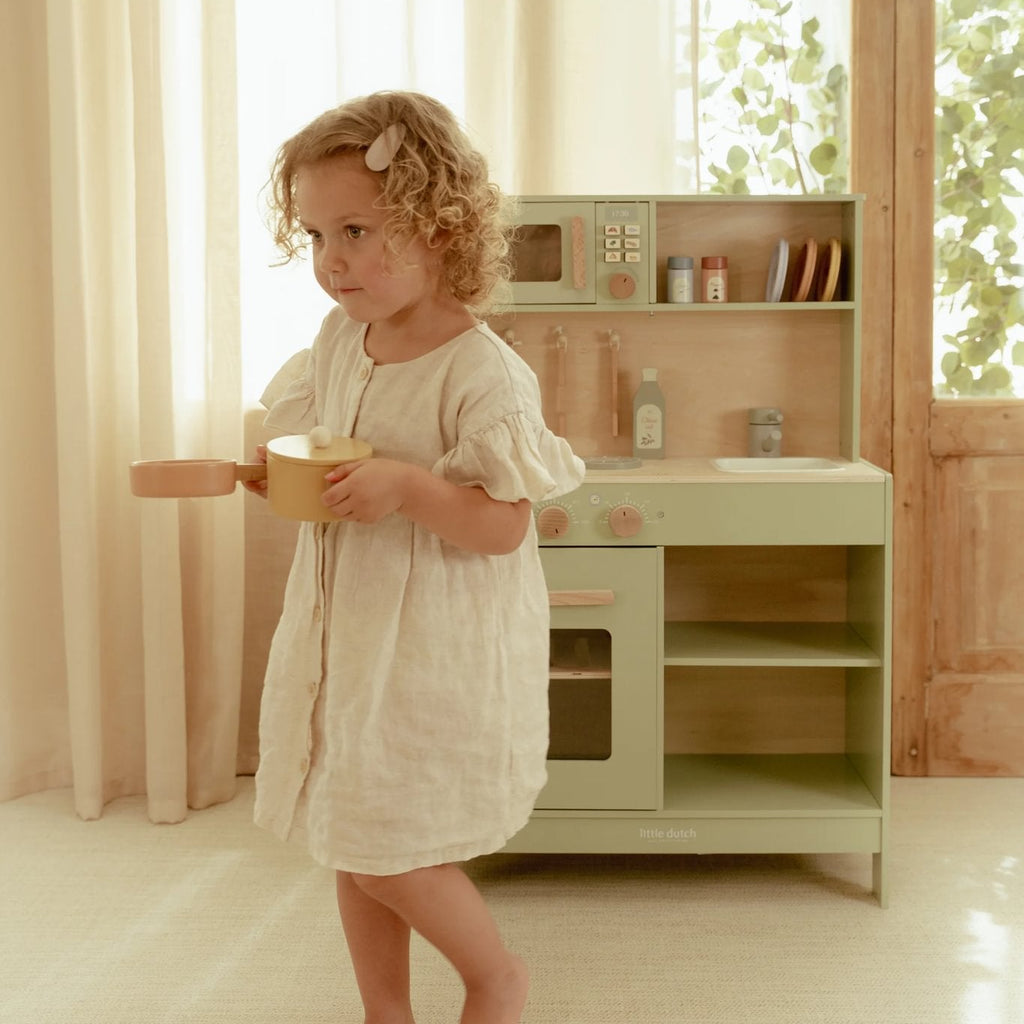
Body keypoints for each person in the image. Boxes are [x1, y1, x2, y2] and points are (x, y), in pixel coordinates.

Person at [248, 91, 585, 1024]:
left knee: (388, 843)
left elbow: (503, 526)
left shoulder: (480, 371)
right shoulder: (338, 341)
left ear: (439, 225)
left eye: (355, 229)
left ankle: (495, 977)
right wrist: (270, 473)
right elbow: (322, 451)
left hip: (431, 643)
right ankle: (384, 1013)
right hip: (351, 632)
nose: (331, 260)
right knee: (351, 831)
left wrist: (410, 487)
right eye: (316, 235)